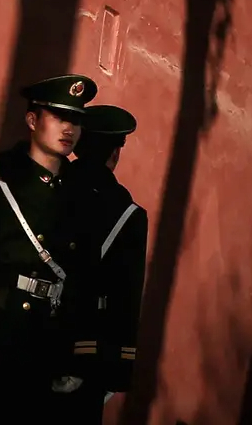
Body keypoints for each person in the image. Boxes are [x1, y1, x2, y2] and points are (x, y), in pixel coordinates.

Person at [0, 75, 102, 422]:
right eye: (59, 117)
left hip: (48, 342)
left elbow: (85, 280)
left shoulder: (82, 196)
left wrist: (78, 355)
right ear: (32, 120)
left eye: (76, 121)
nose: (69, 128)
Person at [65, 104, 149, 422]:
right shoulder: (130, 215)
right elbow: (125, 298)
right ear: (115, 153)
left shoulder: (52, 186)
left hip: (31, 335)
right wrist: (119, 369)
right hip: (90, 350)